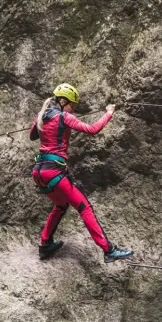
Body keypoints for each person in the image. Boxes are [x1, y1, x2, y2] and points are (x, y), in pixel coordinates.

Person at [29, 83, 133, 263]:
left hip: (39, 173)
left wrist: (42, 121)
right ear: (62, 101)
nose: (73, 110)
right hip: (54, 173)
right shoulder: (64, 117)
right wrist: (109, 113)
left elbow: (32, 135)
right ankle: (109, 250)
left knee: (61, 205)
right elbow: (93, 130)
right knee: (84, 207)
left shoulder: (41, 116)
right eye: (72, 106)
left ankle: (45, 245)